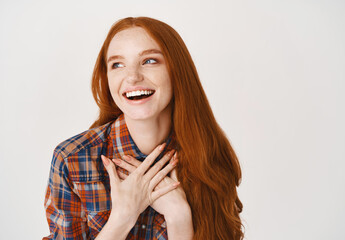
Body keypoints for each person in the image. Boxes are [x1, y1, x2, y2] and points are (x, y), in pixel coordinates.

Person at [43, 16, 244, 240]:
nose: (133, 77)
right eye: (117, 64)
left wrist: (179, 217)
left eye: (149, 61)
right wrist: (122, 217)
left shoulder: (209, 154)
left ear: (176, 71)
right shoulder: (73, 159)